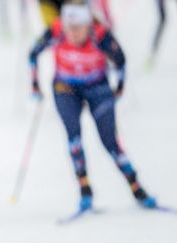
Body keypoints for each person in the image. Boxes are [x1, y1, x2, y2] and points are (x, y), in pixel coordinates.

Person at [28, 3, 156, 211]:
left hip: (97, 88)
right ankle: (85, 191)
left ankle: (137, 187)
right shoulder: (58, 29)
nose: (73, 33)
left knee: (110, 142)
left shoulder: (100, 34)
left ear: (88, 24)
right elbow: (33, 54)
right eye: (70, 27)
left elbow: (121, 60)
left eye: (78, 27)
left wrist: (119, 88)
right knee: (74, 138)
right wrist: (35, 85)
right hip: (65, 88)